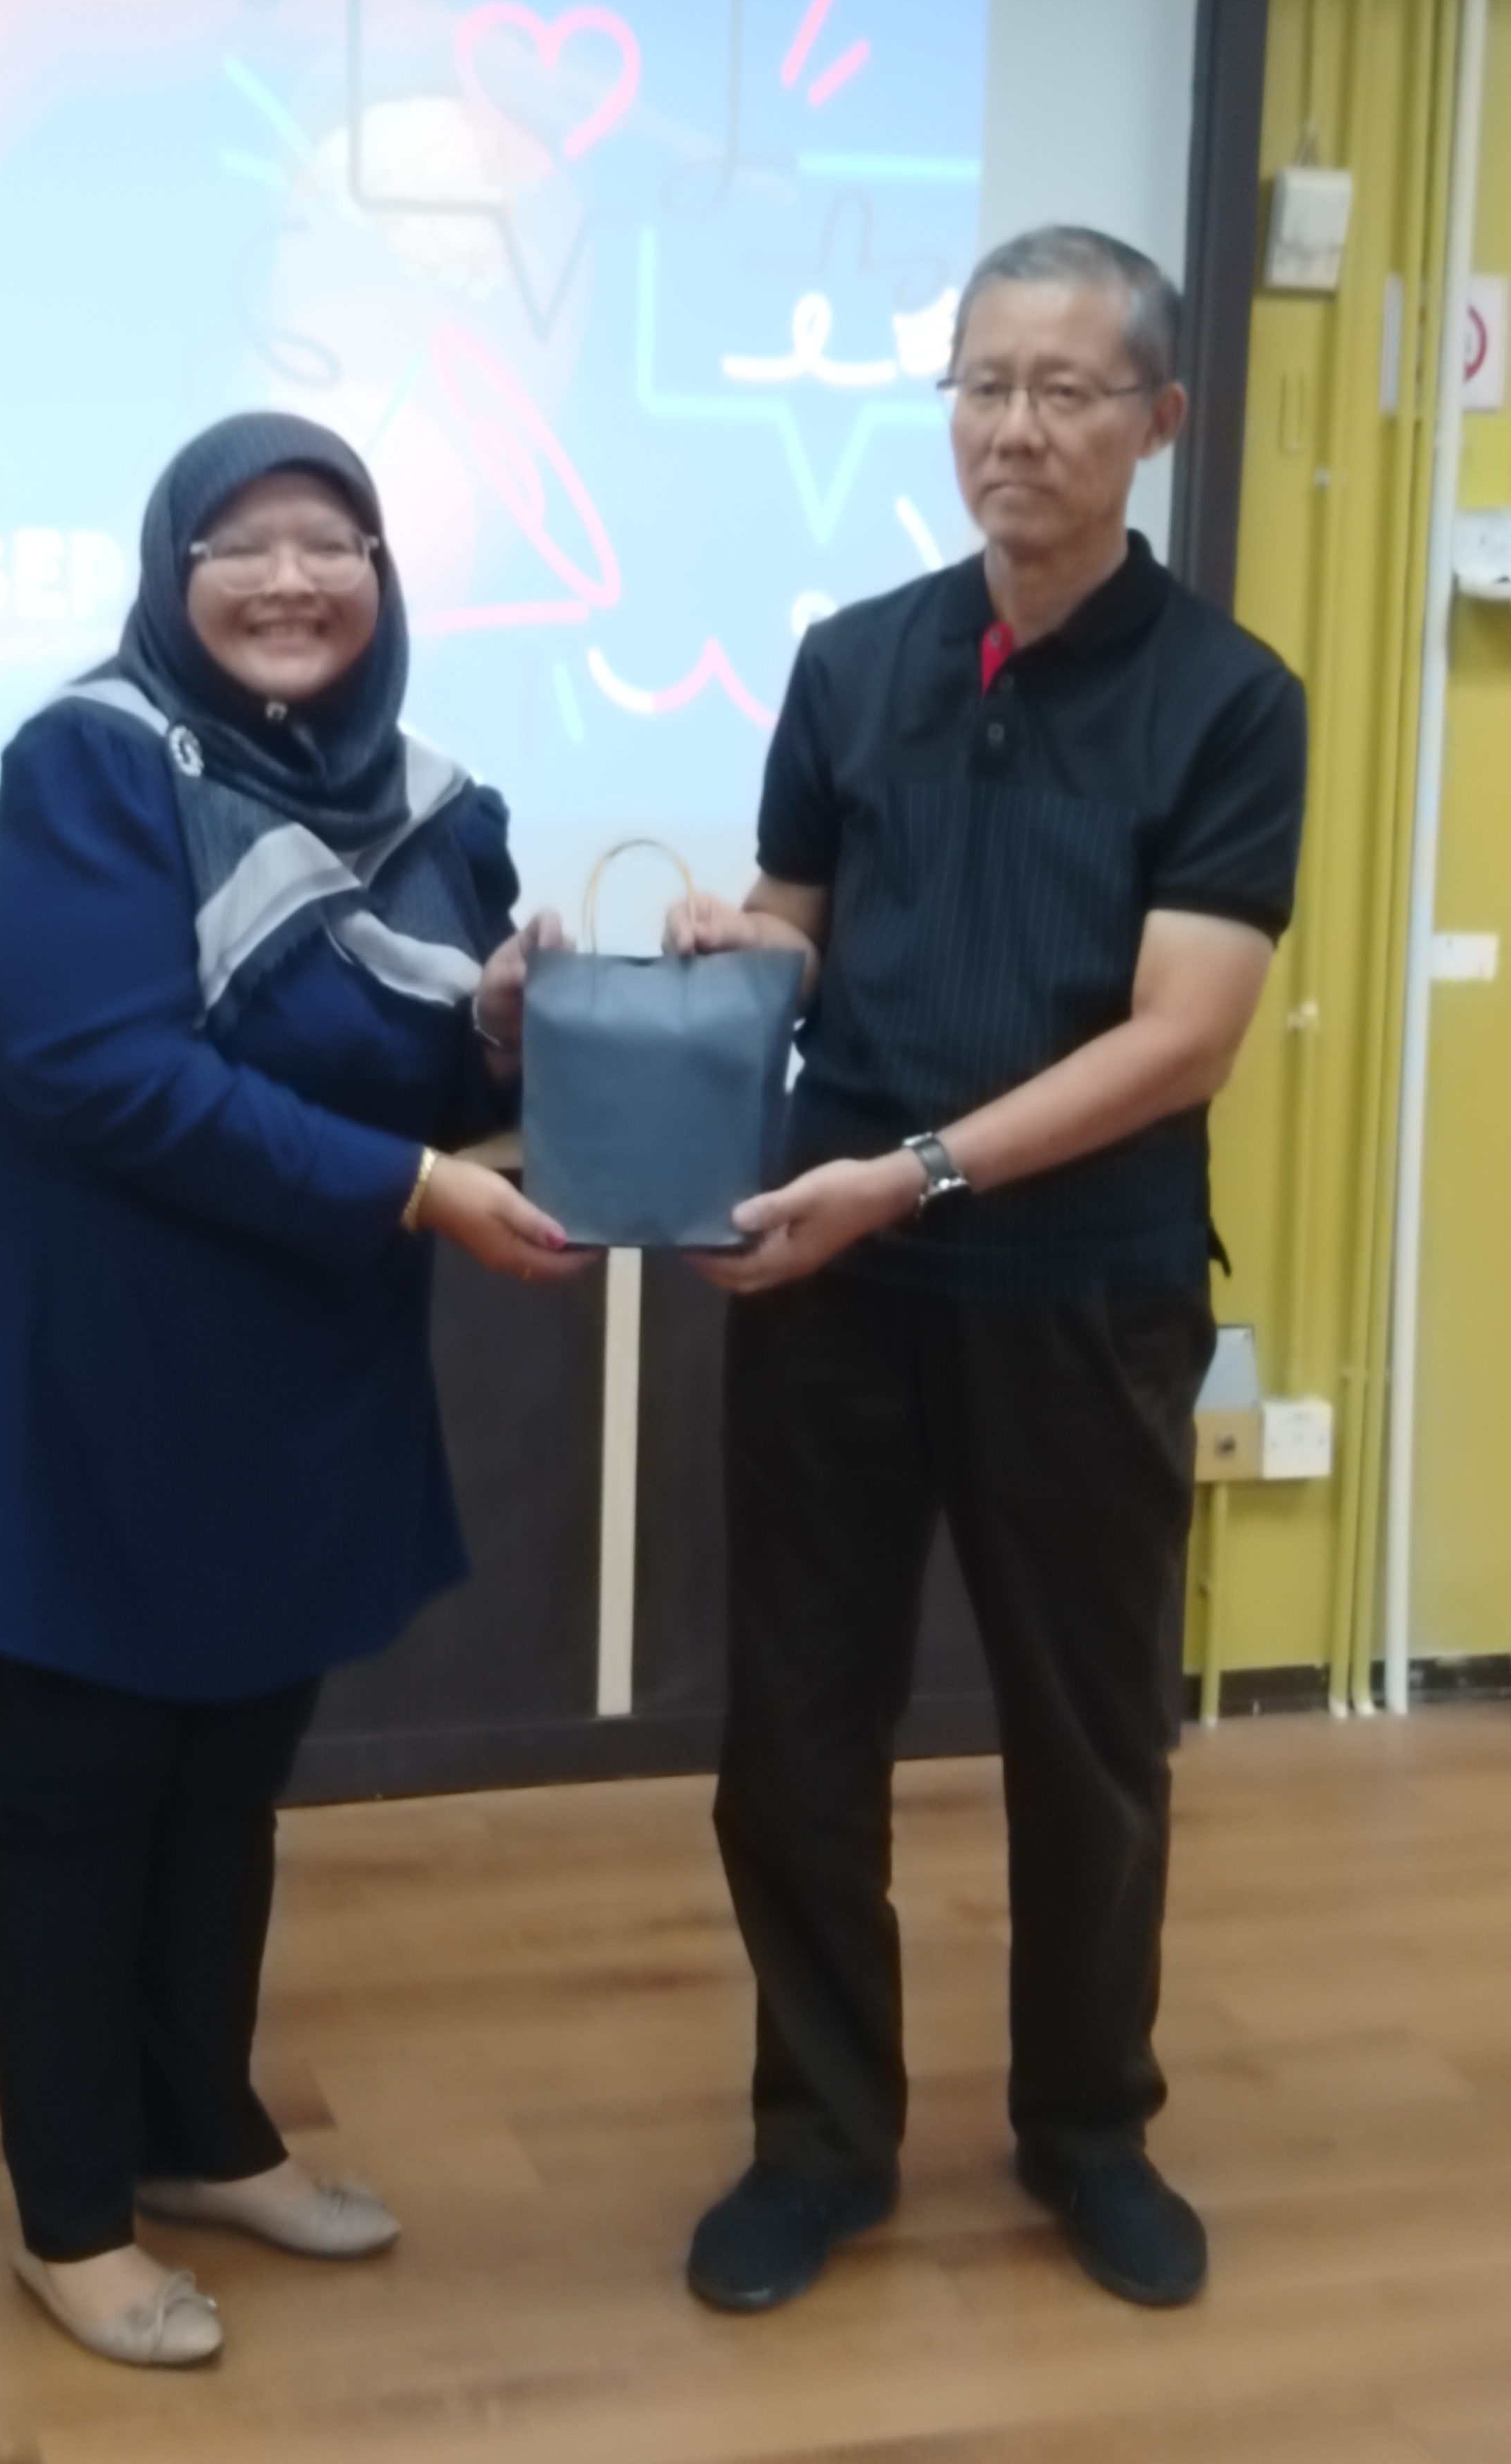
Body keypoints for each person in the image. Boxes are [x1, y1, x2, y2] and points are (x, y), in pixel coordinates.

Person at [0, 410, 584, 2370]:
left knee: (231, 1776)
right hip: (98, 1373)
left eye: (330, 541)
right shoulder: (88, 767)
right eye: (239, 544)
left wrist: (509, 1040)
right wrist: (416, 1184)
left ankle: (197, 2131)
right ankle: (71, 2216)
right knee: (79, 1791)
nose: (288, 579)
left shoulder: (439, 809)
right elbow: (101, 1069)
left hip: (299, 1368)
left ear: (382, 577)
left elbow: (423, 1080)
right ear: (172, 574)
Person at [668, 228, 1307, 2315]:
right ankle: (819, 2142)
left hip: (1085, 1291)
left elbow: (1182, 1038)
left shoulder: (1231, 702)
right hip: (834, 1290)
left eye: (1065, 390)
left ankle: (1088, 2130)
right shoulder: (855, 660)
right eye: (982, 385)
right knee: (796, 1734)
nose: (1014, 429)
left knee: (1091, 1740)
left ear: (1159, 421)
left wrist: (918, 1173)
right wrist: (737, 951)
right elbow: (803, 915)